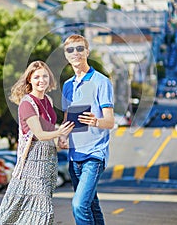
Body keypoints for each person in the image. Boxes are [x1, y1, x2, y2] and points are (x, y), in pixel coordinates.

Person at [0, 60, 74, 225]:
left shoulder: (48, 101)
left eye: (45, 76)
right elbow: (39, 134)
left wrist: (61, 138)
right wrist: (59, 131)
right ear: (29, 80)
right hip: (32, 164)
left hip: (48, 162)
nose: (42, 80)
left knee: (32, 213)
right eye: (37, 76)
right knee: (42, 211)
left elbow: (49, 130)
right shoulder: (26, 103)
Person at [59, 34, 115, 225]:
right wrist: (62, 137)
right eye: (70, 50)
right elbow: (67, 119)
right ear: (66, 55)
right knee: (91, 206)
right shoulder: (67, 86)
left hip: (94, 155)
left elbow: (110, 122)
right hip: (74, 157)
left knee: (79, 205)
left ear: (87, 51)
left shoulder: (101, 82)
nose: (75, 53)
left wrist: (95, 121)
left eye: (80, 48)